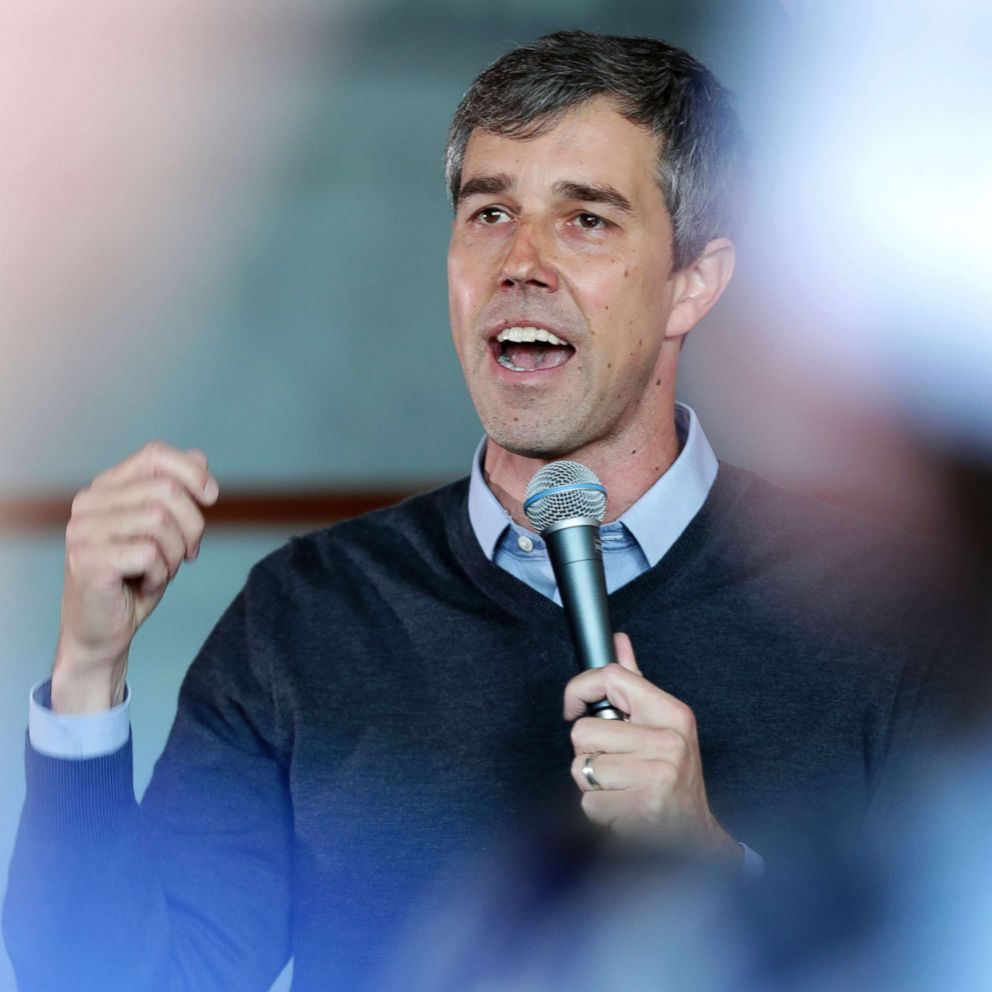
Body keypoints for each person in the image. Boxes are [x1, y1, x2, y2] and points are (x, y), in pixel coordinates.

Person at [3, 30, 965, 992]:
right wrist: (89, 672)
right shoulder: (305, 613)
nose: (522, 262)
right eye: (490, 212)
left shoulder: (882, 610)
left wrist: (715, 870)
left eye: (586, 220)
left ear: (694, 282)